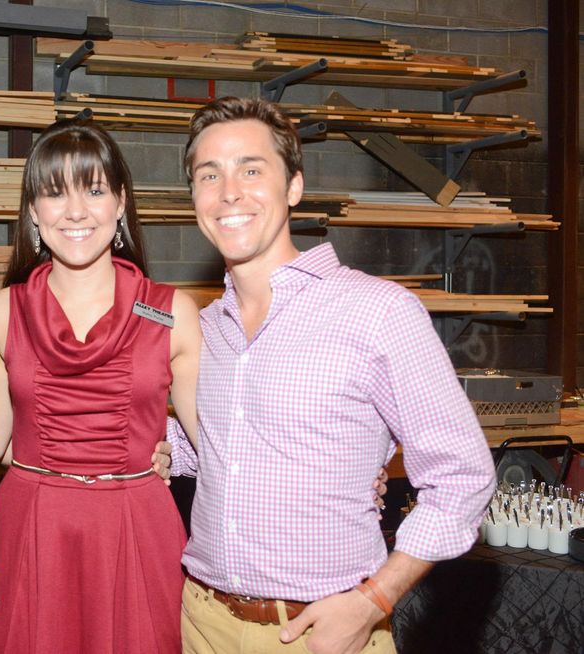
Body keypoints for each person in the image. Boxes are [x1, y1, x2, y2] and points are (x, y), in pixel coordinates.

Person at [167, 96, 496, 654]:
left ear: (294, 186)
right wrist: (161, 449)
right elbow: (224, 444)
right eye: (209, 174)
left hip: (323, 631)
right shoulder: (205, 328)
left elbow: (463, 476)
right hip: (203, 622)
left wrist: (374, 600)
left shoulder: (378, 312)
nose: (229, 192)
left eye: (252, 170)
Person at [0, 118, 201, 653]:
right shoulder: (1, 312)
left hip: (137, 528)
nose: (76, 211)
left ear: (120, 202)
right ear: (34, 211)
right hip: (32, 529)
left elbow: (223, 445)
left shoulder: (171, 312)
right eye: (56, 193)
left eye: (95, 191)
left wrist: (347, 476)